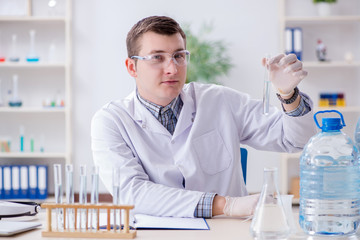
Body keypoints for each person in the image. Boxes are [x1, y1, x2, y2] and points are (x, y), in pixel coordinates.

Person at [91, 16, 316, 218]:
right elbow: (133, 193)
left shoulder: (219, 100)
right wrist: (226, 205)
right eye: (157, 58)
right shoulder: (111, 121)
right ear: (132, 67)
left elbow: (296, 140)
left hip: (227, 232)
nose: (172, 68)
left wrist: (288, 95)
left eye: (179, 56)